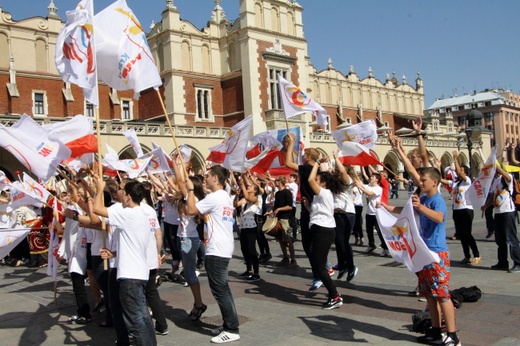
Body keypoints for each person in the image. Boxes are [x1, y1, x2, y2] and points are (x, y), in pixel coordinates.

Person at [381, 167, 461, 346]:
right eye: (420, 180)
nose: (421, 183)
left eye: (424, 180)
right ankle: (435, 330)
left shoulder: (437, 200)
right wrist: (387, 207)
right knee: (430, 294)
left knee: (442, 294)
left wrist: (421, 207)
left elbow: (439, 218)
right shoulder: (424, 199)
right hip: (424, 253)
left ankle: (452, 334)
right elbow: (407, 210)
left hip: (436, 253)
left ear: (435, 182)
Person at [93, 179, 157, 346]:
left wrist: (99, 189)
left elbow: (97, 210)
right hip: (139, 273)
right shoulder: (142, 214)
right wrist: (113, 253)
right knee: (142, 316)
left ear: (128, 197)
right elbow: (134, 243)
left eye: (121, 189)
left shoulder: (129, 213)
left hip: (130, 276)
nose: (119, 192)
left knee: (135, 320)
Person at [186, 165, 240, 344]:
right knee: (223, 289)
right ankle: (228, 324)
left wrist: (191, 189)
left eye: (207, 176)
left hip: (217, 249)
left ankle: (232, 329)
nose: (205, 178)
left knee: (220, 290)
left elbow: (191, 210)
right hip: (222, 247)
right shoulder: (224, 195)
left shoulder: (216, 197)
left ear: (216, 178)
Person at [302, 160, 342, 309]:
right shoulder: (320, 196)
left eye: (318, 181)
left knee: (319, 267)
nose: (315, 183)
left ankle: (335, 296)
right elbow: (317, 212)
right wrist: (307, 206)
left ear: (323, 183)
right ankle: (333, 292)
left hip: (324, 231)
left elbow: (310, 179)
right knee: (315, 258)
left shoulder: (324, 192)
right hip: (320, 229)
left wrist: (317, 164)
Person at [442, 151, 480, 266]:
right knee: (461, 235)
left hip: (466, 210)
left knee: (467, 234)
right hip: (457, 210)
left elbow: (459, 172)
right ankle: (467, 256)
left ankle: (476, 255)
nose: (460, 172)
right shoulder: (456, 183)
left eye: (462, 170)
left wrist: (455, 160)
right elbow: (443, 180)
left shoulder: (468, 181)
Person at [484, 162, 520, 272]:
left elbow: (507, 177)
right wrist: (486, 206)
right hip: (498, 212)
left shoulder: (508, 178)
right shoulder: (494, 181)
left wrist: (496, 165)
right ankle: (502, 262)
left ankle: (518, 263)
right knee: (500, 240)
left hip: (508, 212)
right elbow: (492, 196)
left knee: (511, 239)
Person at [331, 153, 358, 282]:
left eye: (338, 169)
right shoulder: (334, 184)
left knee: (344, 242)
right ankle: (342, 265)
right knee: (337, 241)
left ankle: (351, 266)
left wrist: (336, 157)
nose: (336, 171)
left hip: (347, 214)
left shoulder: (348, 182)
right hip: (336, 214)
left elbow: (342, 171)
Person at [235, 173, 263, 282]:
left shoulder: (255, 198)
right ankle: (248, 269)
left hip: (251, 227)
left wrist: (242, 184)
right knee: (244, 249)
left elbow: (247, 196)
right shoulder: (246, 199)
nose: (248, 187)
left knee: (252, 250)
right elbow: (237, 204)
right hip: (243, 227)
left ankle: (256, 273)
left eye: (250, 187)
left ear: (255, 190)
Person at [267, 176, 297, 267]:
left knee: (288, 240)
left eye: (276, 181)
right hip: (278, 218)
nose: (275, 182)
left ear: (280, 182)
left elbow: (290, 206)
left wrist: (279, 209)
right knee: (280, 240)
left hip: (286, 219)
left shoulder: (287, 192)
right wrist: (270, 211)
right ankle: (285, 258)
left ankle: (293, 260)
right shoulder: (277, 193)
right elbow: (276, 206)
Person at [356, 173, 386, 256]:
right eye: (371, 176)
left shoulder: (378, 188)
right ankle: (371, 245)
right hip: (369, 212)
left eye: (373, 177)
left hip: (376, 213)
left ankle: (385, 247)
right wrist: (354, 175)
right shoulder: (369, 186)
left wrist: (361, 187)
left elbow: (370, 193)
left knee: (379, 231)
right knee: (369, 231)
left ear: (377, 179)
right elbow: (359, 182)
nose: (371, 177)